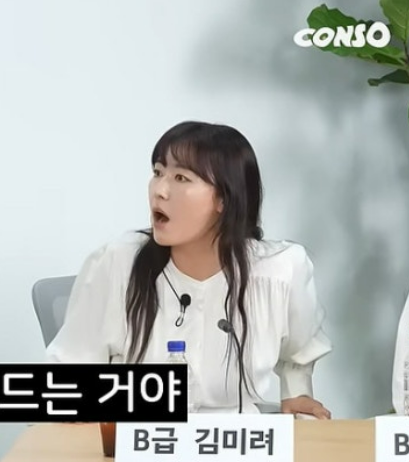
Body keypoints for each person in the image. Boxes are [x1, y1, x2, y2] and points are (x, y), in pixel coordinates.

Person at [46, 121, 332, 418]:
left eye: (181, 178)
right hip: (139, 435)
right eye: (158, 172)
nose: (160, 190)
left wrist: (297, 393)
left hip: (234, 440)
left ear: (224, 199)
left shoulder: (279, 271)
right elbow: (66, 376)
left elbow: (300, 353)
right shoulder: (118, 262)